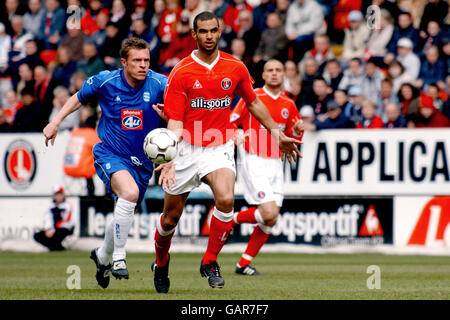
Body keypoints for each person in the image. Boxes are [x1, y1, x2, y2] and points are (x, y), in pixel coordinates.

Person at [150, 11, 301, 293]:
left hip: (218, 145)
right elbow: (174, 120)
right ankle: (161, 261)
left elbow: (253, 103)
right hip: (185, 147)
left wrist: (277, 133)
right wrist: (169, 158)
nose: (209, 36)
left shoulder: (235, 67)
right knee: (170, 218)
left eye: (213, 30)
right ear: (194, 35)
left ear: (221, 32)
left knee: (227, 199)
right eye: (203, 31)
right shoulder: (181, 71)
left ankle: (210, 261)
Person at [42, 38, 168, 288]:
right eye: (137, 61)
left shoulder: (160, 83)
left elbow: (181, 110)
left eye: (146, 60)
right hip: (110, 153)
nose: (143, 65)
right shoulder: (106, 81)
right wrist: (56, 122)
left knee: (125, 206)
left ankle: (102, 256)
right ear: (124, 62)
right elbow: (77, 97)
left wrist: (171, 116)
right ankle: (119, 258)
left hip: (143, 163)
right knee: (129, 194)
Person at [229, 59, 303, 275]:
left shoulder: (288, 104)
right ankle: (230, 220)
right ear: (263, 75)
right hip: (254, 158)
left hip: (276, 163)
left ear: (284, 75)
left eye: (278, 70)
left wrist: (298, 131)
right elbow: (231, 120)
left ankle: (243, 263)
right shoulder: (252, 97)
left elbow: (291, 136)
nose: (274, 74)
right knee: (268, 211)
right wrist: (235, 132)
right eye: (270, 70)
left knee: (271, 219)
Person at [33, 185, 74, 251]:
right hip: (53, 229)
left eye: (60, 194)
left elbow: (68, 221)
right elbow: (47, 218)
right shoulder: (50, 206)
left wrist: (55, 228)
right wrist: (48, 229)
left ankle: (56, 247)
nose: (58, 196)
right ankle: (54, 247)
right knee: (37, 236)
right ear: (54, 196)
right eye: (57, 194)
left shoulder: (67, 205)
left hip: (64, 229)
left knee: (58, 234)